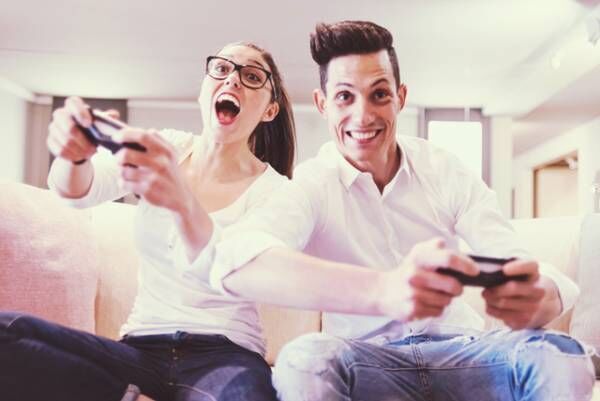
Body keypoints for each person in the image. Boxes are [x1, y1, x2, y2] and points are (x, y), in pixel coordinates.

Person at [188, 21, 596, 401]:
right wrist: (384, 291)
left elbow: (515, 257)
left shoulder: (443, 168)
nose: (363, 115)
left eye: (379, 94)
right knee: (303, 360)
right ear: (323, 103)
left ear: (400, 97)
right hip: (366, 360)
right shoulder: (312, 184)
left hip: (464, 352)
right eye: (345, 97)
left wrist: (540, 295)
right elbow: (233, 259)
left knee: (560, 355)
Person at [0, 41, 295, 401]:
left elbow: (244, 271)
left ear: (270, 110)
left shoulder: (278, 193)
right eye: (222, 68)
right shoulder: (165, 147)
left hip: (225, 356)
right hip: (140, 350)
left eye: (251, 76)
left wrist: (180, 196)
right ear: (204, 90)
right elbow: (74, 192)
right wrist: (74, 156)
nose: (232, 79)